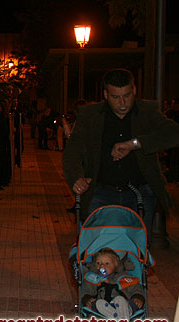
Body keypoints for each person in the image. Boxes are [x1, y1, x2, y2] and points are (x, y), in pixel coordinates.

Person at [63, 68, 179, 233]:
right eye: (115, 97)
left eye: (127, 95)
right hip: (101, 193)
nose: (122, 103)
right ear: (105, 94)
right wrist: (76, 178)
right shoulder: (90, 116)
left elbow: (174, 133)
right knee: (100, 250)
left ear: (134, 90)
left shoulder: (147, 111)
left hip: (140, 194)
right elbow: (73, 151)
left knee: (136, 250)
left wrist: (136, 143)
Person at [81, 247, 144, 319]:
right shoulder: (94, 278)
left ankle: (123, 315)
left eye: (107, 263)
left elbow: (136, 289)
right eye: (98, 263)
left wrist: (137, 297)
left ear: (116, 265)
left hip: (125, 305)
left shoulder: (124, 278)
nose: (101, 266)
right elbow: (86, 291)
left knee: (120, 299)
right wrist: (87, 299)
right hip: (103, 310)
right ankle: (120, 320)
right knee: (98, 303)